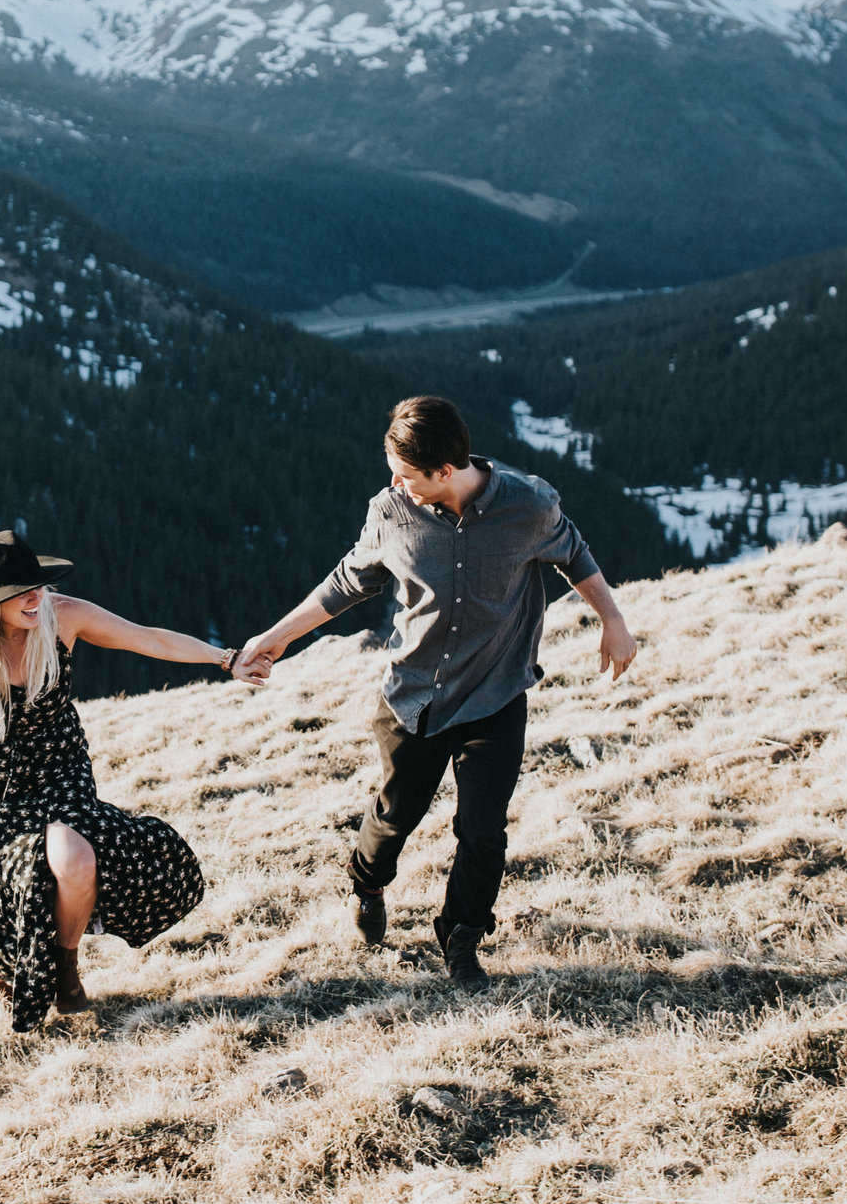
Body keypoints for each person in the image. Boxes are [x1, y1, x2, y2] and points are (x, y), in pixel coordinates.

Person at [241, 396, 637, 983]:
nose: (395, 484)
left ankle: (461, 936)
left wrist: (614, 621)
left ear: (446, 471)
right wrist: (275, 638)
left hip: (496, 697)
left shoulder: (527, 505)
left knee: (483, 830)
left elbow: (572, 552)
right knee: (396, 816)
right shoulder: (390, 511)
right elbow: (348, 580)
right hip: (412, 698)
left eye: (405, 475)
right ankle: (368, 884)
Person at [0, 529, 258, 1030]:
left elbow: (147, 637)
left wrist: (225, 658)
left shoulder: (63, 615)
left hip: (54, 764)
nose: (33, 598)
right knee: (8, 878)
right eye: (17, 593)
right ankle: (6, 972)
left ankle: (65, 966)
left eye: (36, 586)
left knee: (76, 857)